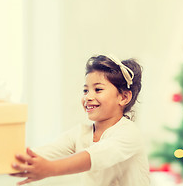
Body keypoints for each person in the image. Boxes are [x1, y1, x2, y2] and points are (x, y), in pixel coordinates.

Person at [12, 54, 150, 186]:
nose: (88, 97)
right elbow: (41, 153)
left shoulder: (129, 133)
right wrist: (11, 161)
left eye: (98, 89)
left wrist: (50, 168)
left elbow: (95, 156)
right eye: (85, 90)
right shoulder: (80, 133)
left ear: (124, 97)